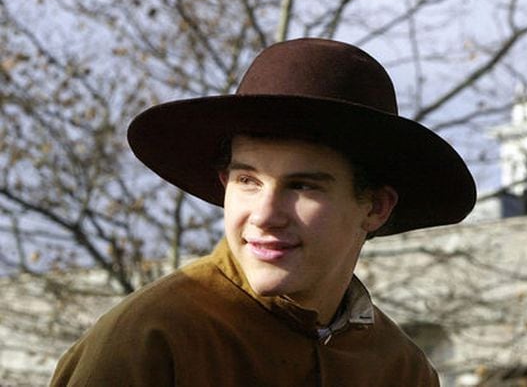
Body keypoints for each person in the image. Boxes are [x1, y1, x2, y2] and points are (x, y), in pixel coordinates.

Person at [50, 38, 476, 386]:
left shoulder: (402, 371)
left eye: (303, 186)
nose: (264, 214)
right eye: (247, 181)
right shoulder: (150, 339)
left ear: (376, 207)